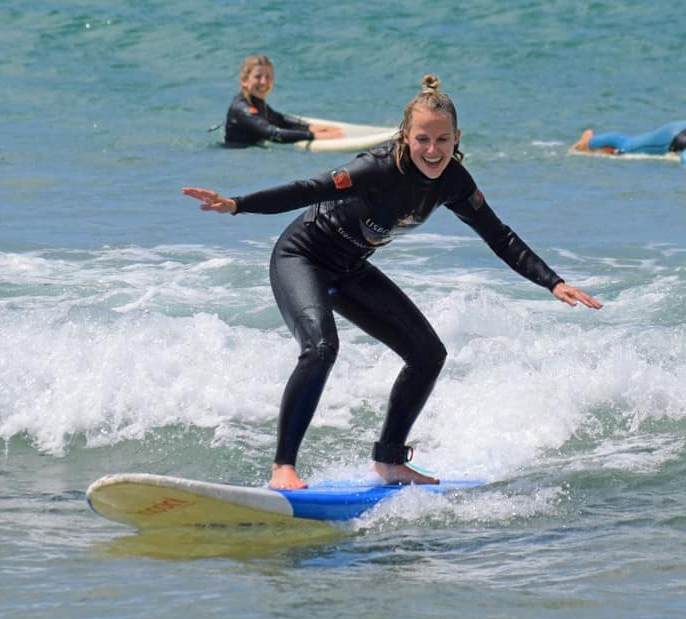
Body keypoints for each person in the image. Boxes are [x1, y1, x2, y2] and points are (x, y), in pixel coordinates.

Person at [186, 74, 603, 490]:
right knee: (320, 349)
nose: (432, 150)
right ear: (406, 135)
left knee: (427, 354)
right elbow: (308, 189)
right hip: (303, 257)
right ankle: (283, 468)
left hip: (348, 266)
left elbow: (500, 236)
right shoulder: (378, 167)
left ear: (457, 138)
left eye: (442, 140)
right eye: (422, 139)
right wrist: (239, 204)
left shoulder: (454, 182)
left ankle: (389, 461)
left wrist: (553, 282)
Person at [224, 54, 343, 147]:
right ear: (244, 80)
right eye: (258, 77)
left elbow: (280, 120)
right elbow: (273, 134)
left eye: (268, 77)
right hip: (233, 157)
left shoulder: (257, 104)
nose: (264, 82)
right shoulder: (242, 108)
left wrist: (310, 126)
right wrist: (313, 135)